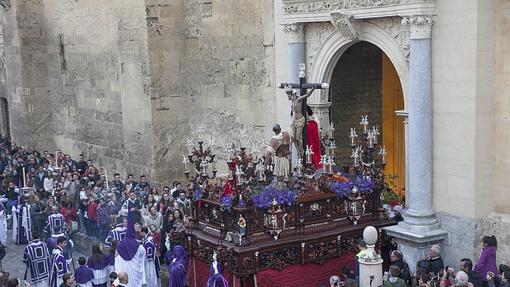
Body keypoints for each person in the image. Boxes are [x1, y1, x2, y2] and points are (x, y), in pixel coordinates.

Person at [114, 210, 146, 287]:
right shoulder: (139, 246)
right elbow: (143, 253)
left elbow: (116, 256)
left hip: (124, 272)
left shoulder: (120, 245)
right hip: (135, 272)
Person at [286, 86, 316, 159]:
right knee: (293, 138)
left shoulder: (298, 99)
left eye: (288, 94)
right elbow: (293, 113)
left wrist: (313, 88)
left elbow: (307, 95)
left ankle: (302, 152)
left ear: (292, 94)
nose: (288, 96)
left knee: (298, 138)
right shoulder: (292, 101)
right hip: (294, 121)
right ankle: (298, 152)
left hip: (300, 120)